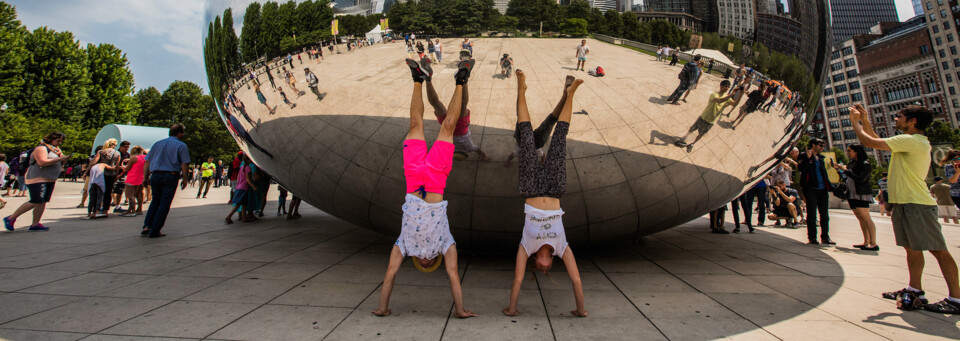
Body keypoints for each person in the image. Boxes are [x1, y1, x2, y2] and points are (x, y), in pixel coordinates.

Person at [371, 57, 476, 319]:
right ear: (435, 261)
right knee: (449, 127)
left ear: (419, 261)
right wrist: (460, 310)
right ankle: (461, 79)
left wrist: (383, 308)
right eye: (431, 264)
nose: (427, 262)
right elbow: (453, 275)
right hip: (437, 180)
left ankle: (418, 79)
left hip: (414, 178)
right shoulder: (446, 244)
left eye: (423, 264)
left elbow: (390, 273)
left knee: (415, 125)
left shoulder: (404, 245)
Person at [849, 103, 960, 314]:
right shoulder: (909, 141)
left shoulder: (912, 141)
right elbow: (877, 140)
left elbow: (868, 141)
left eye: (900, 116)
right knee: (912, 249)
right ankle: (915, 289)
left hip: (916, 203)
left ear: (913, 121)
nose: (896, 119)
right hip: (903, 203)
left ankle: (956, 298)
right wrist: (865, 119)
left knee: (938, 250)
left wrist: (856, 123)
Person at [503, 69, 587, 317]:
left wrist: (512, 309)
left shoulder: (526, 247)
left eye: (540, 269)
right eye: (547, 269)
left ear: (536, 262)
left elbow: (518, 280)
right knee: (560, 138)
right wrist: (581, 310)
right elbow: (577, 279)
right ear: (551, 261)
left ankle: (521, 88)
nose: (544, 269)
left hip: (529, 189)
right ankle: (571, 94)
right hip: (554, 189)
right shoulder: (562, 247)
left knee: (526, 137)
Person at [417, 57, 489, 161]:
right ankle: (428, 79)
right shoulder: (446, 149)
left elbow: (478, 151)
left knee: (462, 106)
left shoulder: (468, 148)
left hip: (459, 129)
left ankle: (463, 79)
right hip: (446, 128)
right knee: (436, 104)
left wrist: (485, 157)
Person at [3, 132, 71, 232]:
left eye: (61, 141)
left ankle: (35, 224)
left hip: (50, 179)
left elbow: (59, 162)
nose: (60, 143)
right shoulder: (41, 148)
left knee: (42, 202)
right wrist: (60, 158)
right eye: (58, 141)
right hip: (37, 178)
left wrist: (63, 159)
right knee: (35, 201)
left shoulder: (55, 149)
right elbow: (42, 162)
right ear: (51, 139)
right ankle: (11, 218)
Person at [141, 124, 191, 238]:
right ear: (179, 133)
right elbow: (184, 163)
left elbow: (147, 161)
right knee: (164, 204)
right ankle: (155, 229)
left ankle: (147, 226)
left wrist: (145, 177)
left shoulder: (157, 144)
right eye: (182, 133)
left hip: (156, 175)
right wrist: (185, 178)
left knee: (155, 201)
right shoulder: (181, 145)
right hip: (170, 176)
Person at [830, 144, 878, 250]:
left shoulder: (865, 164)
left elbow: (860, 179)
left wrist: (846, 170)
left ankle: (873, 243)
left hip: (861, 193)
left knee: (866, 217)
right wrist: (839, 170)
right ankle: (866, 241)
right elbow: (846, 176)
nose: (847, 153)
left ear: (856, 152)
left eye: (849, 151)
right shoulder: (852, 163)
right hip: (851, 193)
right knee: (860, 218)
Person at [673, 79, 736, 149]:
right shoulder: (714, 94)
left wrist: (741, 94)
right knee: (692, 129)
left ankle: (692, 144)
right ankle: (683, 139)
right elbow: (719, 100)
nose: (727, 88)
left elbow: (734, 104)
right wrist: (731, 95)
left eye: (728, 87)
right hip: (703, 117)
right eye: (726, 86)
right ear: (721, 86)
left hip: (711, 121)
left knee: (701, 134)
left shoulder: (727, 97)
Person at [797, 138, 833, 245]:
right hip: (810, 188)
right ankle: (812, 237)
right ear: (813, 145)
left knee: (824, 214)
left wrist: (829, 185)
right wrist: (808, 159)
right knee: (812, 214)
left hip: (822, 189)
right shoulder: (803, 155)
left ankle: (825, 237)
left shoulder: (821, 158)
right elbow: (801, 169)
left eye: (823, 145)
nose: (822, 147)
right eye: (820, 145)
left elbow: (824, 173)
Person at [89, 139, 122, 218]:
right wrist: (116, 175)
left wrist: (90, 167)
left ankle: (95, 210)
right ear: (114, 145)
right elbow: (117, 165)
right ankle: (105, 210)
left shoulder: (101, 151)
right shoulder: (117, 153)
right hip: (111, 174)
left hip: (101, 173)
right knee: (108, 192)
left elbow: (95, 161)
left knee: (97, 192)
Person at [225, 155, 256, 224]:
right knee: (238, 203)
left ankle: (244, 217)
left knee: (244, 203)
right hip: (244, 187)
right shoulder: (248, 168)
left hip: (239, 186)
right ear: (248, 160)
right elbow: (248, 179)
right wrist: (253, 186)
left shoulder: (242, 167)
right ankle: (228, 216)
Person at [121, 146, 146, 216]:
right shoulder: (145, 157)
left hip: (132, 178)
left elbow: (127, 168)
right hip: (141, 178)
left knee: (130, 195)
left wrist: (123, 167)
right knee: (138, 194)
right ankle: (139, 209)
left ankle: (132, 210)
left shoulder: (134, 158)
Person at [940, 150, 960, 216]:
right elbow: (952, 181)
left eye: (958, 158)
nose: (956, 160)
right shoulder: (949, 167)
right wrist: (958, 171)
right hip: (956, 194)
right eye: (954, 159)